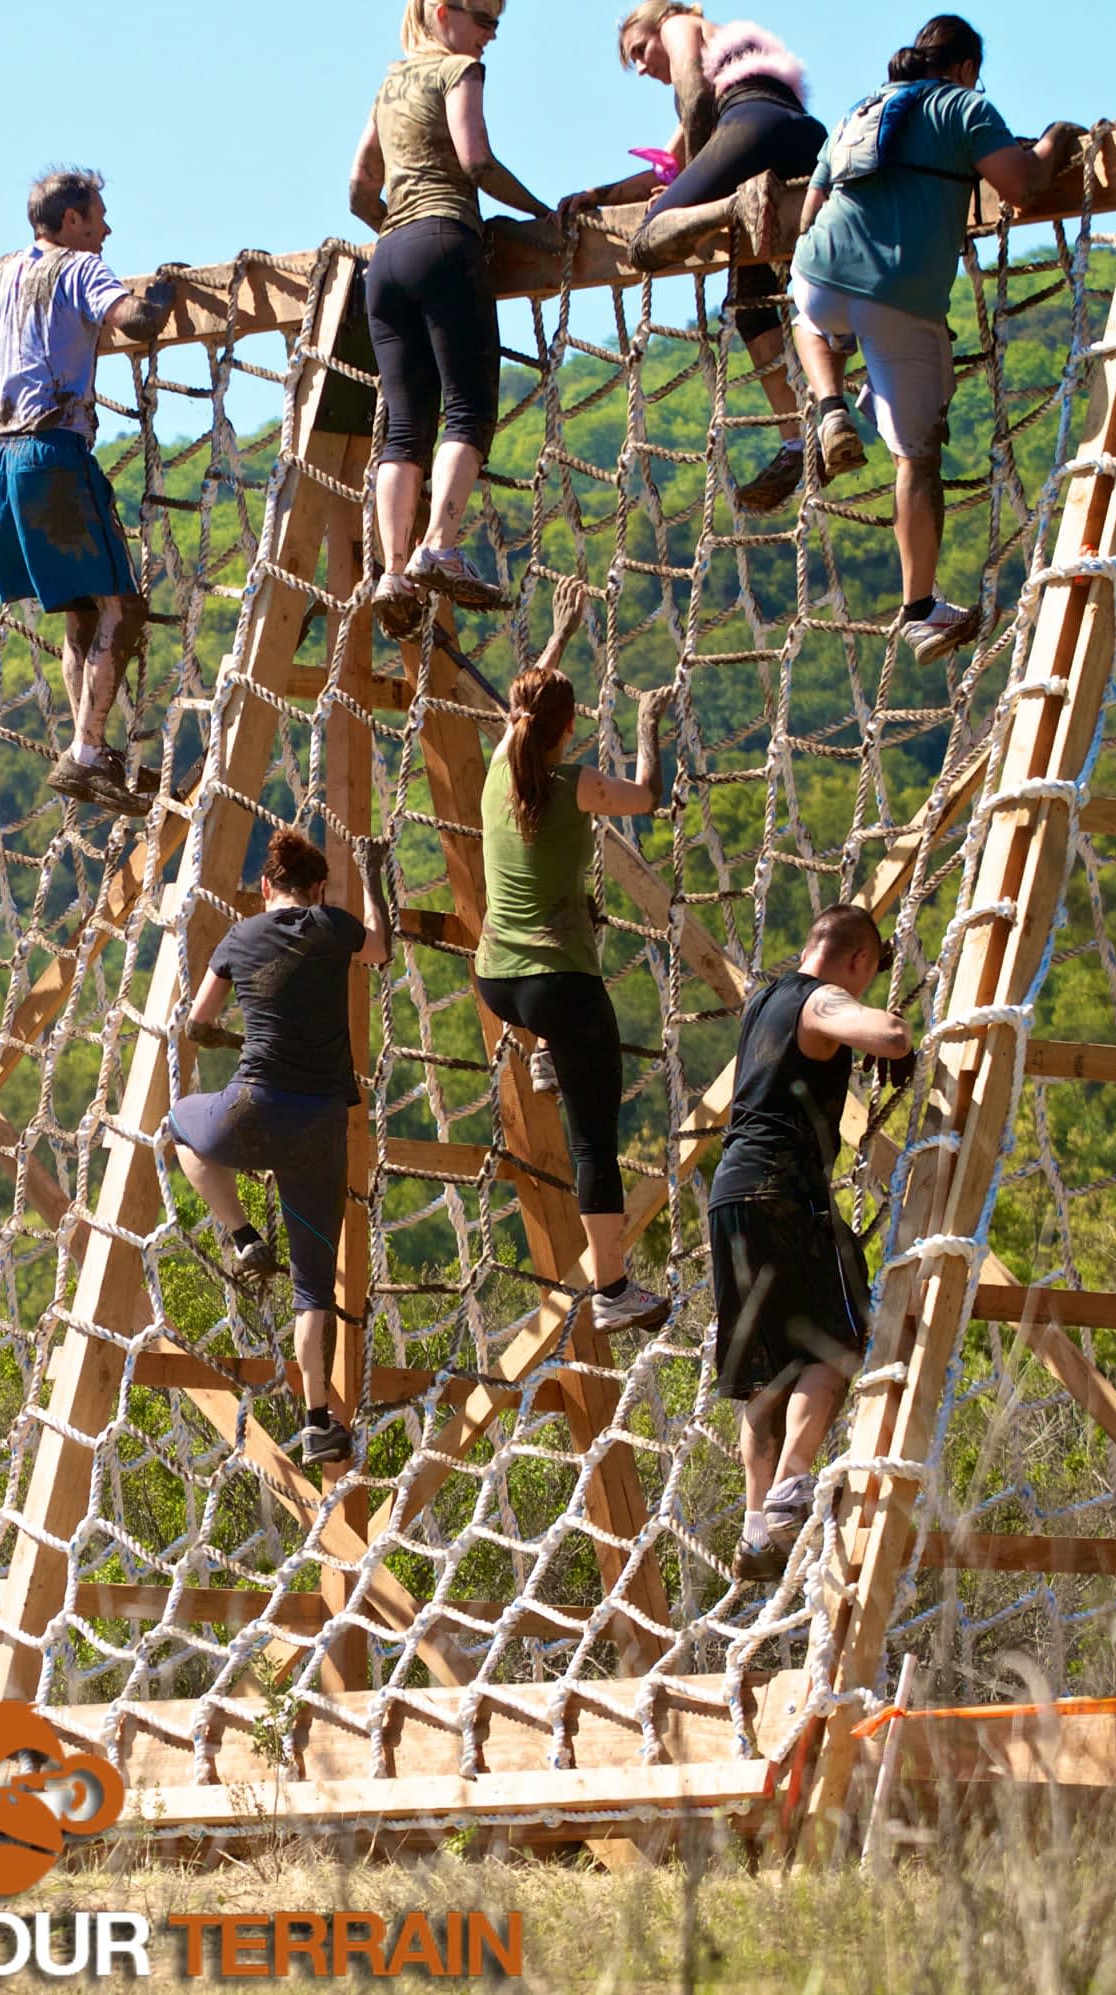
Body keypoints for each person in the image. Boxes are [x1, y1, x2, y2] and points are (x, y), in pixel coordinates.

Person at [789, 13, 1087, 663]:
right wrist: (1059, 138)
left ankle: (830, 403)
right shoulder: (964, 106)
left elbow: (808, 215)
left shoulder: (858, 110)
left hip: (821, 274)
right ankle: (920, 610)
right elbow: (1023, 188)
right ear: (968, 67)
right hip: (902, 299)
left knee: (806, 316)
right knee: (916, 461)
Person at [474, 584, 673, 1333]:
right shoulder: (575, 783)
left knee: (562, 1021)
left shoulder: (502, 770)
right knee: (595, 1138)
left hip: (499, 981)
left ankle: (546, 1054)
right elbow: (648, 795)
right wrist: (649, 724)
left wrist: (557, 637)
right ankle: (616, 1290)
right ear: (569, 728)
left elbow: (518, 714)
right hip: (560, 985)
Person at [170, 827, 396, 1466]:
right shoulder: (334, 925)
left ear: (266, 887)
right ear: (318, 888)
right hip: (321, 1125)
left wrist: (220, 1039)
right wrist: (375, 878)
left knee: (181, 1128)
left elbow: (198, 1020)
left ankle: (242, 1235)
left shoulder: (238, 938)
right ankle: (319, 1419)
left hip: (252, 1109)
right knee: (312, 1289)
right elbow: (380, 951)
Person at [709, 905, 912, 1582]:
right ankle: (791, 1490)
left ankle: (755, 1529)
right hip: (783, 1190)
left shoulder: (765, 997)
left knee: (764, 1373)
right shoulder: (818, 997)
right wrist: (899, 1043)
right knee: (840, 1336)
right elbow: (879, 1029)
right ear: (858, 962)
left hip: (730, 1193)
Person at [346, 0, 558, 637]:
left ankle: (392, 572)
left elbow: (359, 186)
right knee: (467, 408)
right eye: (484, 17)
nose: (491, 35)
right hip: (445, 240)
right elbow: (476, 162)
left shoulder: (389, 83)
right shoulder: (458, 69)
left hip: (387, 262)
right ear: (443, 13)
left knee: (405, 424)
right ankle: (438, 543)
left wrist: (399, 233)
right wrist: (542, 218)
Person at [564, 3, 827, 514]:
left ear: (657, 21)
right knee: (750, 300)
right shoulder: (727, 66)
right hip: (795, 137)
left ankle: (735, 202)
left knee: (646, 243)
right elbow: (668, 173)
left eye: (639, 50)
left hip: (755, 128)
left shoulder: (680, 24)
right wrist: (597, 194)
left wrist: (712, 193)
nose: (641, 67)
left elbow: (691, 87)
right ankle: (798, 441)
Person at [0, 167, 180, 816]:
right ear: (71, 222)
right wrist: (168, 289)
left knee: (80, 610)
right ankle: (88, 752)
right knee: (122, 605)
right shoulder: (79, 267)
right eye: (97, 216)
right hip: (52, 451)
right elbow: (137, 322)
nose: (106, 229)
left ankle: (86, 750)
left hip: (0, 458)